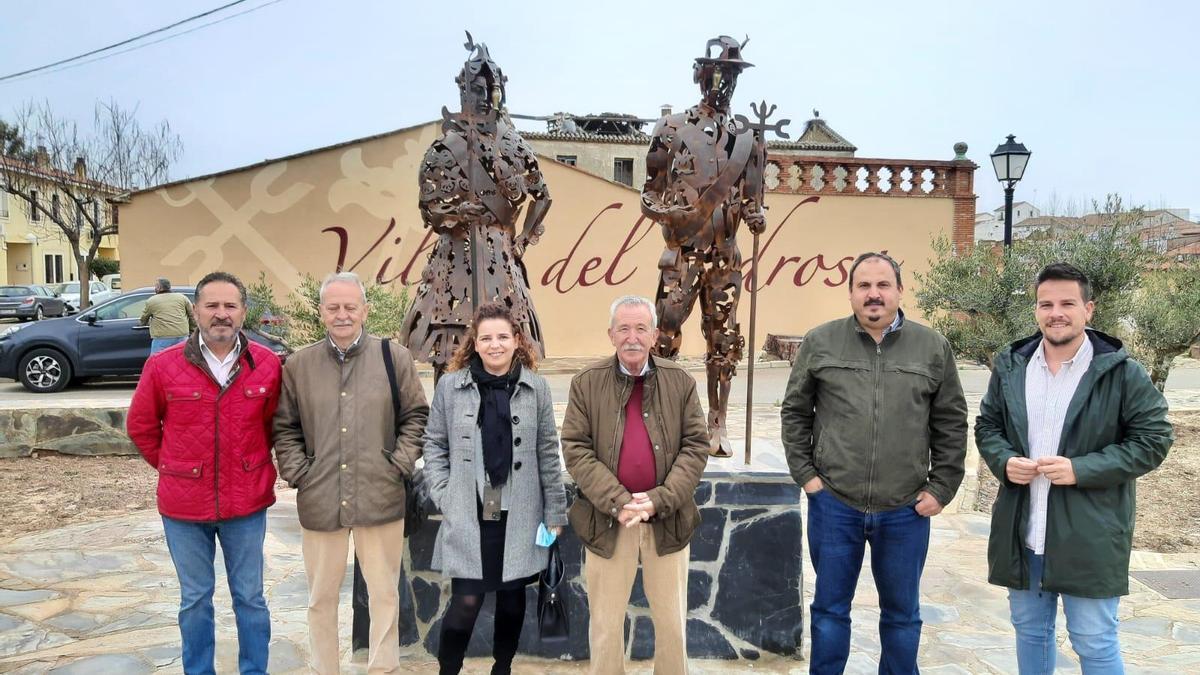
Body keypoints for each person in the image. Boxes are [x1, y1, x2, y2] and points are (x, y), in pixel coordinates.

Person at [976, 262, 1173, 674]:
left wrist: (1082, 469)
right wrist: (1004, 461)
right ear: (1036, 311)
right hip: (1024, 531)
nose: (1056, 312)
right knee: (1030, 632)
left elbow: (1154, 440)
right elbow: (988, 426)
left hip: (1091, 534)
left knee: (1094, 642)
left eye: (1067, 302)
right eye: (1045, 304)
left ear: (1089, 309)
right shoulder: (1012, 366)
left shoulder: (1122, 373)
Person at [781, 252, 968, 674]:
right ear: (850, 293)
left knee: (902, 616)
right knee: (830, 611)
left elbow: (951, 422)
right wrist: (808, 478)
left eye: (883, 285)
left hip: (904, 508)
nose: (873, 294)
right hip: (835, 506)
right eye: (864, 286)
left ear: (900, 291)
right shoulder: (821, 341)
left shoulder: (932, 347)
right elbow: (795, 411)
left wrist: (941, 488)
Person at [272, 272, 429, 674]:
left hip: (380, 494)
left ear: (365, 310)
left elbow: (416, 418)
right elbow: (284, 427)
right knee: (320, 598)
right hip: (320, 497)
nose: (342, 315)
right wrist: (300, 474)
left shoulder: (393, 358)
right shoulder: (299, 364)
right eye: (333, 307)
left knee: (383, 595)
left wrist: (397, 465)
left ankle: (382, 668)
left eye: (350, 307)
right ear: (321, 311)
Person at [126, 271, 281, 675]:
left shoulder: (265, 364)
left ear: (243, 312)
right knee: (194, 599)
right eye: (212, 305)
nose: (221, 314)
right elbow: (141, 426)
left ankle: (254, 671)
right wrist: (174, 467)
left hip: (246, 503)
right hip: (183, 507)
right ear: (195, 311)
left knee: (250, 597)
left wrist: (252, 465)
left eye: (230, 306)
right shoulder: (162, 364)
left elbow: (273, 426)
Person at [561, 295, 710, 675]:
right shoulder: (586, 383)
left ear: (655, 334)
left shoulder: (680, 381)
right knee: (606, 627)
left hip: (668, 519)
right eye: (624, 328)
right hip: (609, 520)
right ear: (611, 334)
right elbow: (575, 448)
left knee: (673, 625)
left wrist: (658, 500)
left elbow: (695, 446)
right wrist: (619, 501)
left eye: (641, 328)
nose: (632, 337)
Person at [422, 301, 568, 675]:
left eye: (503, 336)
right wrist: (444, 491)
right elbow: (434, 444)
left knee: (512, 600)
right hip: (469, 514)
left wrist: (555, 511)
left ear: (517, 340)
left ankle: (502, 668)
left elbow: (548, 453)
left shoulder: (535, 389)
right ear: (476, 342)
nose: (495, 345)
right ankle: (447, 671)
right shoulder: (451, 388)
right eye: (486, 338)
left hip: (520, 514)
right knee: (466, 601)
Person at [641, 35, 767, 457]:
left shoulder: (747, 139)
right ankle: (664, 420)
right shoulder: (672, 128)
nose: (722, 83)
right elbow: (649, 193)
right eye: (715, 73)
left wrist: (755, 216)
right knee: (665, 331)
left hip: (725, 255)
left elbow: (754, 198)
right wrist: (668, 214)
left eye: (730, 75)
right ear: (700, 75)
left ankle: (718, 422)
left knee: (724, 340)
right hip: (682, 252)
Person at [401, 33, 551, 380]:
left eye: (488, 92)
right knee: (449, 349)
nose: (481, 99)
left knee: (511, 347)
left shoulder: (513, 145)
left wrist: (523, 240)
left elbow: (542, 195)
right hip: (455, 262)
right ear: (463, 92)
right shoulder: (445, 148)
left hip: (501, 260)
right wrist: (455, 215)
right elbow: (429, 209)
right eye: (475, 91)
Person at [140, 276, 196, 354]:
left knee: (157, 360)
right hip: (182, 335)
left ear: (159, 287)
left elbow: (143, 319)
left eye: (156, 286)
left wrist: (144, 323)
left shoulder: (152, 300)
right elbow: (192, 315)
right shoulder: (182, 298)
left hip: (162, 337)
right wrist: (192, 330)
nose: (155, 288)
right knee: (182, 359)